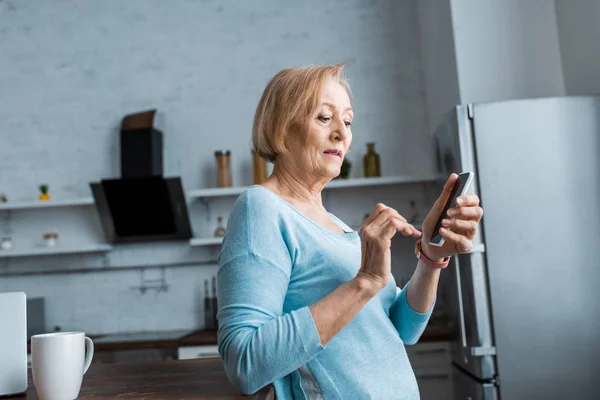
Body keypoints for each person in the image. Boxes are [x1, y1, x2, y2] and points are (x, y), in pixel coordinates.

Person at [216, 63, 483, 399]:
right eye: (324, 118)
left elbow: (402, 328)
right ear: (281, 129)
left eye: (348, 120)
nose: (342, 133)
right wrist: (364, 282)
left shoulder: (338, 227)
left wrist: (431, 255)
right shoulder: (260, 208)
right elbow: (244, 363)